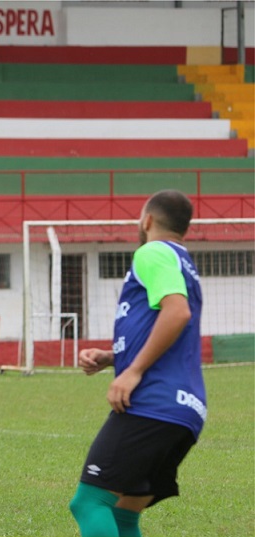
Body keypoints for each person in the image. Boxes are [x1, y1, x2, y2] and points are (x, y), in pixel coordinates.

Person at [69, 190, 206, 537]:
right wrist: (113, 358)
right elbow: (173, 324)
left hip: (153, 403)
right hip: (184, 409)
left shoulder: (152, 252)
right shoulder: (181, 262)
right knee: (123, 516)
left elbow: (177, 312)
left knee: (89, 503)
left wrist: (133, 371)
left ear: (147, 221)